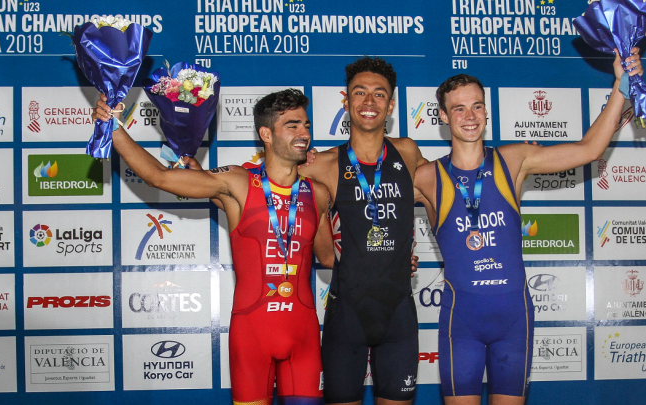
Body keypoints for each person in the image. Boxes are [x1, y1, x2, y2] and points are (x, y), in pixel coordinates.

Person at [413, 49, 643, 405]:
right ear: (443, 116)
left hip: (513, 319)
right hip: (462, 322)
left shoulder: (514, 159)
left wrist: (621, 85)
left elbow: (589, 148)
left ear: (487, 111)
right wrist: (308, 159)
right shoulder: (427, 177)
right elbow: (361, 189)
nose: (469, 116)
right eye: (458, 108)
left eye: (477, 106)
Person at [94, 88, 333, 405]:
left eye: (306, 124)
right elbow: (160, 177)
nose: (304, 133)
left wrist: (391, 259)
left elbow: (329, 258)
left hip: (303, 339)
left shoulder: (317, 192)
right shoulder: (238, 182)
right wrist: (114, 129)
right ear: (266, 133)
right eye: (293, 125)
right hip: (252, 339)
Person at [299, 57, 426, 405]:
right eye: (360, 92)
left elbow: (451, 184)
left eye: (379, 94)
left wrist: (499, 165)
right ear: (346, 101)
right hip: (346, 316)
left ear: (391, 104)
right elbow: (264, 188)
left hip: (398, 313)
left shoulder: (409, 153)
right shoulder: (321, 165)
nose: (369, 102)